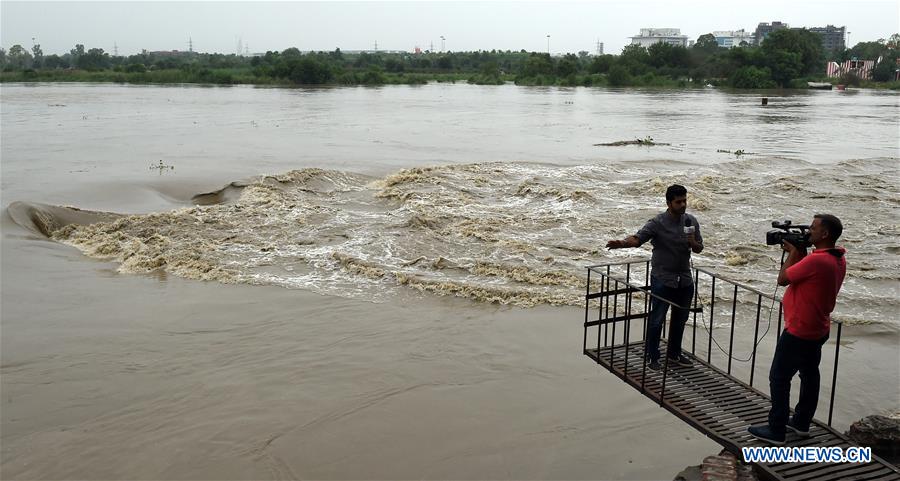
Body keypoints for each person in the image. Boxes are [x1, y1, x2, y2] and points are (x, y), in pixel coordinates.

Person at [748, 214, 847, 445]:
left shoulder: (817, 261)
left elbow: (783, 279)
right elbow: (807, 275)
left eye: (813, 229)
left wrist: (793, 251)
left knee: (779, 378)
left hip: (799, 330)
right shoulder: (837, 257)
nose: (808, 232)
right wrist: (799, 251)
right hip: (818, 327)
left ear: (824, 234)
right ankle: (801, 422)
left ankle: (776, 429)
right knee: (809, 375)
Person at [606, 184, 703, 371]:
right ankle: (653, 356)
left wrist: (692, 241)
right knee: (657, 319)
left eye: (684, 200)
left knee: (680, 319)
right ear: (669, 203)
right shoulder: (658, 222)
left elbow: (699, 248)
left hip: (684, 279)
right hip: (662, 278)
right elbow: (638, 239)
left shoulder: (691, 222)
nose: (683, 205)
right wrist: (622, 244)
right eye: (678, 202)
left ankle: (674, 354)